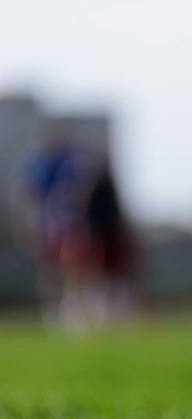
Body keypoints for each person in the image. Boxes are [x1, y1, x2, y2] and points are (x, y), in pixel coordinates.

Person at [11, 132, 137, 333]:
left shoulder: (79, 174)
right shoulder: (47, 176)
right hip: (60, 232)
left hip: (78, 231)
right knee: (60, 273)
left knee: (86, 273)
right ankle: (65, 315)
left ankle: (88, 314)